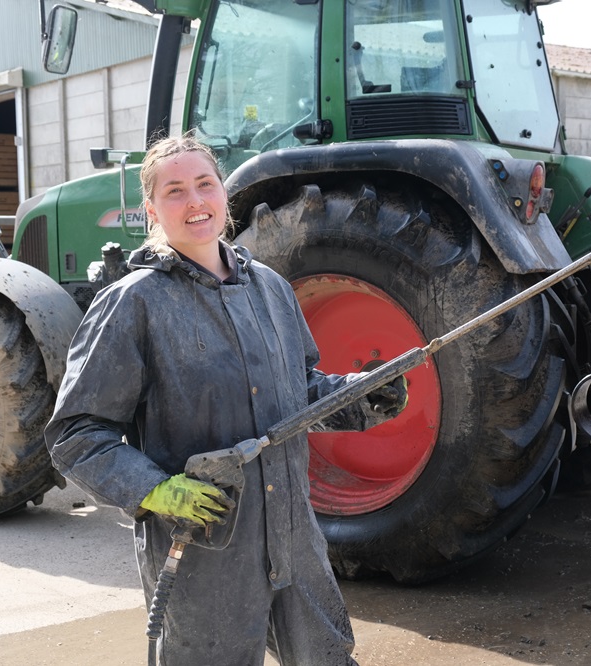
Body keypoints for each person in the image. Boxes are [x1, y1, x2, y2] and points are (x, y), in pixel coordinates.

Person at [44, 133, 407, 665]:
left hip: (293, 538)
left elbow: (299, 391)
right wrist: (157, 490)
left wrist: (360, 396)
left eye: (204, 184)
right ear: (151, 210)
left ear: (223, 195)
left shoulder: (271, 289)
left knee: (328, 657)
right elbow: (76, 435)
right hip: (204, 547)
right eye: (174, 191)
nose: (194, 201)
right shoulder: (133, 303)